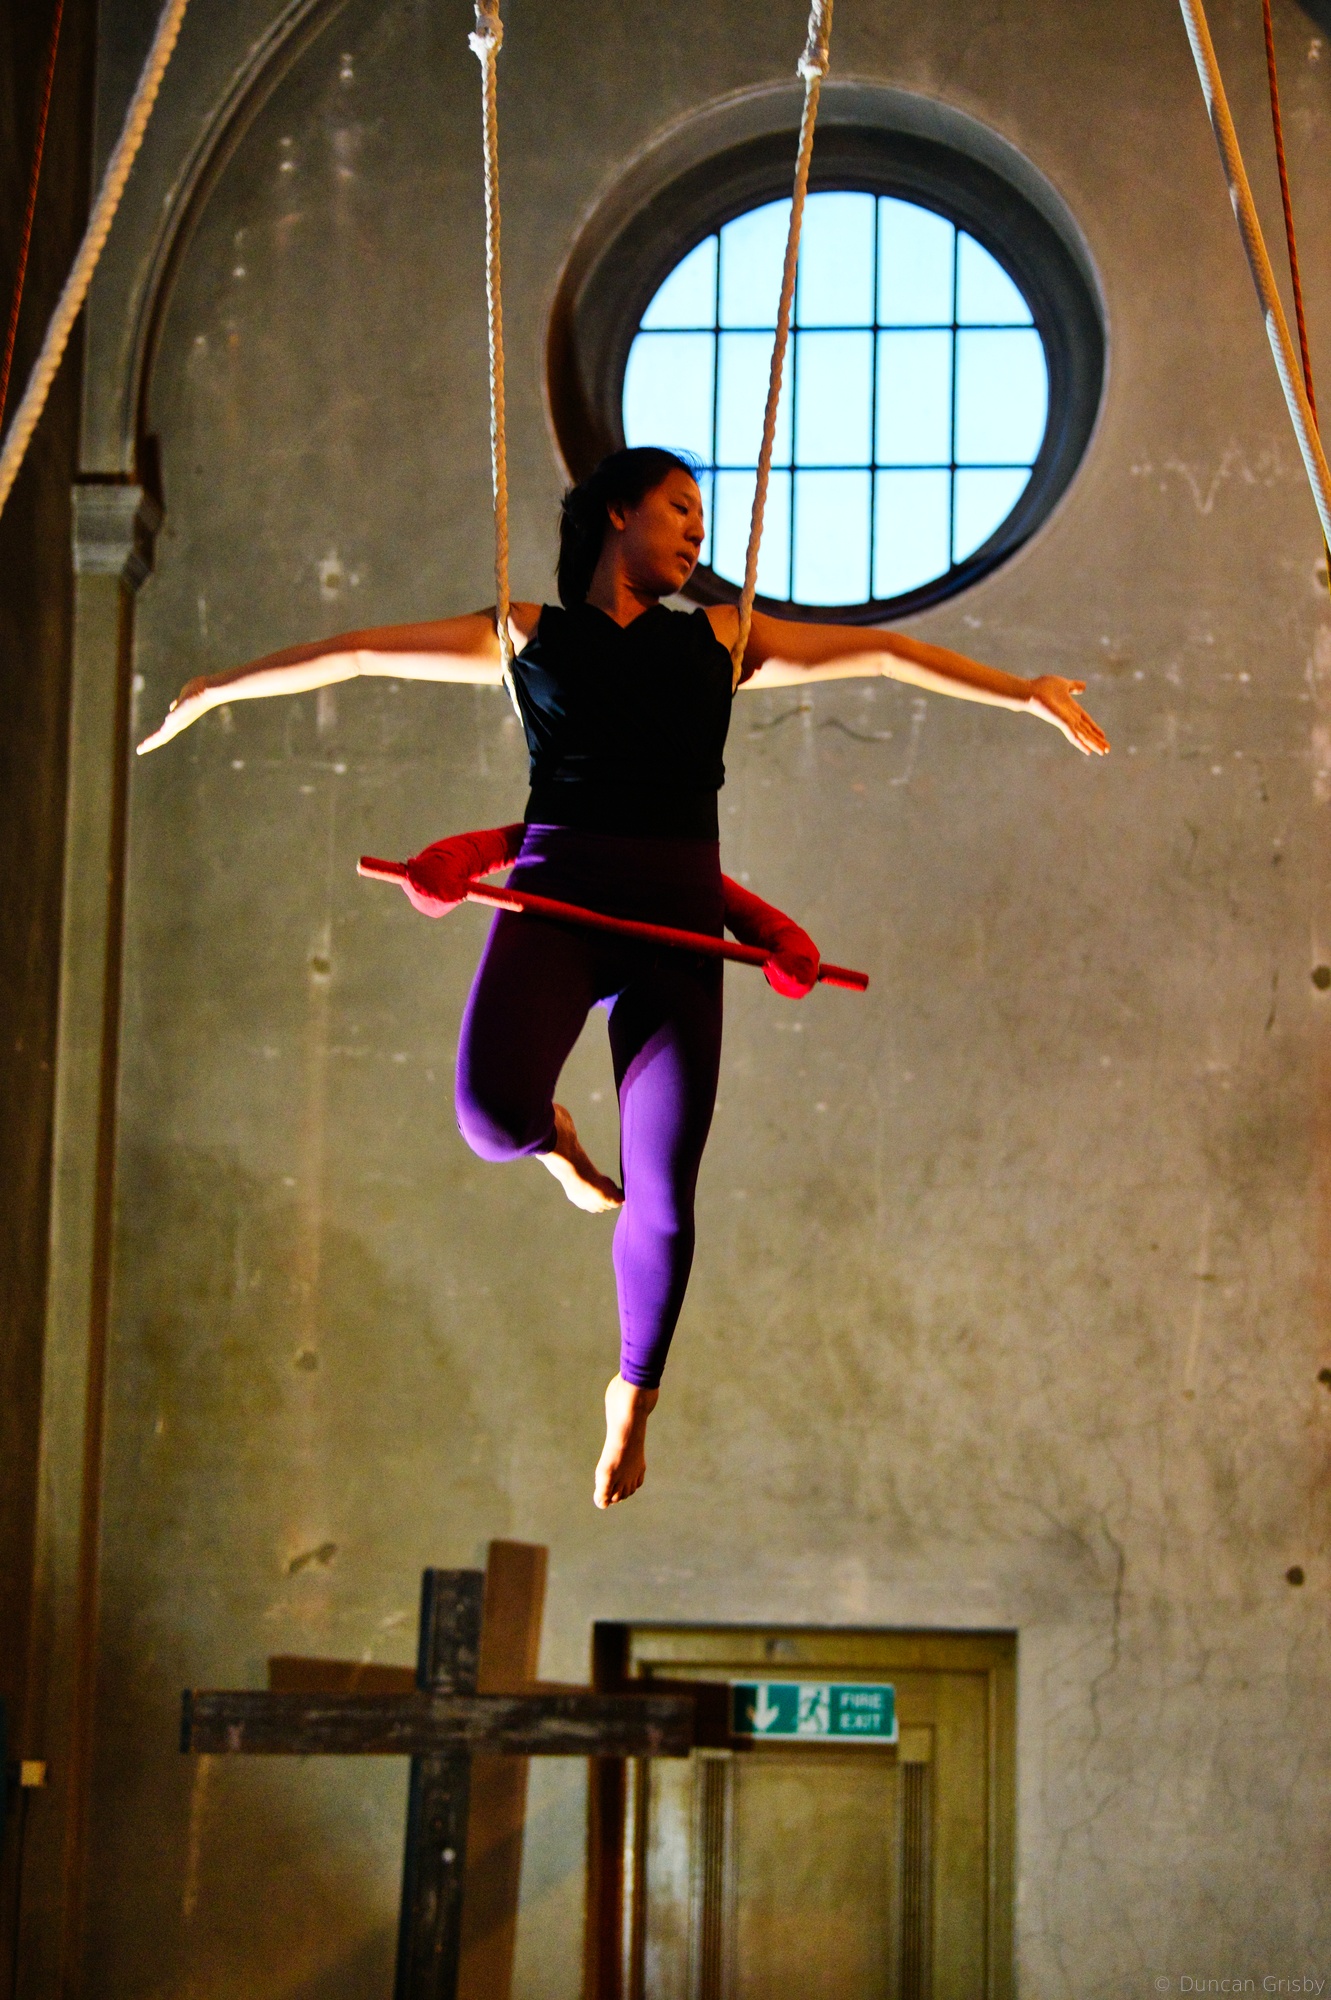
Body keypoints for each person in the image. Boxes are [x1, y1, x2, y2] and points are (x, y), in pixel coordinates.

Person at [139, 446, 1108, 1507]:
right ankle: (556, 1143)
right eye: (679, 508)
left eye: (702, 519)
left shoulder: (722, 638)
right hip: (561, 902)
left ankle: (633, 1394)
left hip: (677, 924)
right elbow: (364, 651)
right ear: (614, 512)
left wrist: (1023, 693)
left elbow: (878, 653)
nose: (697, 532)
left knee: (666, 1199)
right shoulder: (528, 635)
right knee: (489, 1116)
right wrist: (220, 686)